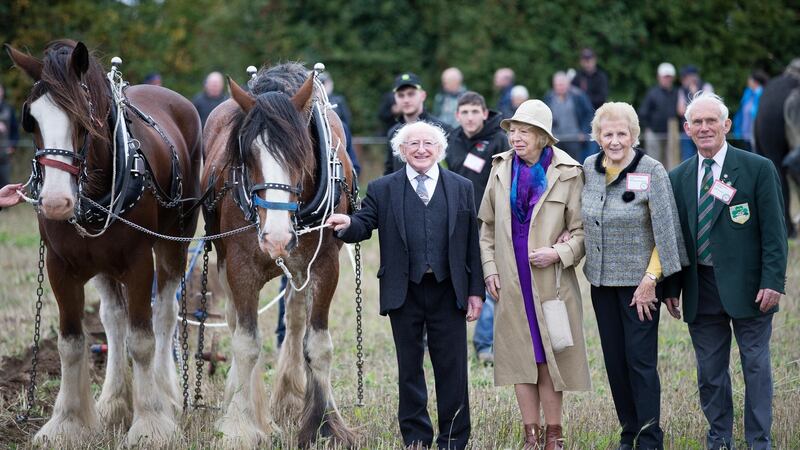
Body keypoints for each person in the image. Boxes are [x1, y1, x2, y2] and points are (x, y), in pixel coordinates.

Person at [326, 121, 484, 450]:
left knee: (452, 369)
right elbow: (364, 223)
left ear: (440, 150)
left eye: (428, 143)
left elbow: (473, 245)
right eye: (413, 144)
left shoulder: (461, 187)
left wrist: (475, 291)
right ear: (401, 151)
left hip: (448, 290)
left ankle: (454, 438)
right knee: (409, 368)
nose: (421, 149)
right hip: (405, 291)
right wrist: (346, 224)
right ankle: (416, 437)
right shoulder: (383, 188)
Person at [664, 91, 787, 450]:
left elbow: (775, 234)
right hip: (700, 286)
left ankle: (759, 440)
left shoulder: (757, 168)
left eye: (711, 121)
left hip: (751, 287)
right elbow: (676, 238)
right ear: (688, 129)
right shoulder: (679, 177)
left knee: (756, 367)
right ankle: (719, 438)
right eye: (697, 122)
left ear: (726, 125)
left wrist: (773, 282)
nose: (704, 128)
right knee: (711, 374)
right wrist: (671, 287)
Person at [479, 99, 590, 450]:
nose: (516, 137)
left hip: (550, 283)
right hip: (511, 283)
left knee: (549, 359)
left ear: (543, 136)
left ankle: (554, 436)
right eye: (513, 131)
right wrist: (490, 269)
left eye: (524, 131)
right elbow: (486, 228)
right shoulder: (499, 169)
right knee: (519, 359)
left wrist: (558, 252)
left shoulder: (569, 172)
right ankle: (531, 435)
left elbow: (583, 231)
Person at [581, 102, 687, 450]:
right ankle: (629, 433)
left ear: (633, 135)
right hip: (600, 284)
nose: (614, 140)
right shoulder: (589, 168)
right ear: (597, 136)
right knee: (614, 362)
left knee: (640, 362)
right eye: (607, 133)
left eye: (621, 133)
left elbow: (666, 232)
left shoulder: (652, 170)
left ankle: (649, 438)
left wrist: (650, 282)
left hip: (639, 286)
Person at [445, 91, 507, 365]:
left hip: (490, 221)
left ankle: (485, 345)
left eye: (475, 112)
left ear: (484, 113)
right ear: (458, 116)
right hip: (457, 220)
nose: (470, 117)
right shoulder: (451, 141)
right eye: (465, 112)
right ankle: (450, 339)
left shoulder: (499, 139)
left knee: (489, 279)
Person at [754, 58, 800, 238]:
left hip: (764, 132)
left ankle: (784, 229)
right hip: (789, 130)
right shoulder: (794, 88)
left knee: (775, 177)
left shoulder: (772, 85)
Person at [384, 73, 451, 175]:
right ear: (395, 98)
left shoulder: (442, 129)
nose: (406, 100)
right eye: (401, 95)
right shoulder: (393, 133)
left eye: (411, 94)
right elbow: (389, 171)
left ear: (423, 95)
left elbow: (453, 170)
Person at [543, 72, 594, 162]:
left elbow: (589, 114)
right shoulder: (549, 97)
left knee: (574, 164)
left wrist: (584, 131)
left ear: (568, 84)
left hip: (574, 138)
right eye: (558, 85)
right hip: (555, 139)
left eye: (562, 85)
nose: (560, 87)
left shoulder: (578, 96)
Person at [638, 63, 679, 165]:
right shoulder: (652, 93)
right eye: (665, 77)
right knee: (654, 161)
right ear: (659, 77)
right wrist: (648, 127)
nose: (667, 79)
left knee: (671, 163)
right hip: (654, 133)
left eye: (669, 77)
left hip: (671, 135)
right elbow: (643, 113)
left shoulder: (677, 93)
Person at [676, 66, 715, 161]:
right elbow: (680, 111)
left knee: (707, 155)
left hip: (705, 128)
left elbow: (708, 106)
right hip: (688, 129)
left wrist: (694, 94)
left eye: (685, 77)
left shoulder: (706, 86)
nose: (683, 80)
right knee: (687, 157)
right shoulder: (682, 90)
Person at [732, 70, 769, 150]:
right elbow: (741, 112)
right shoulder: (748, 93)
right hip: (746, 134)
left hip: (758, 134)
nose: (748, 82)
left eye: (750, 79)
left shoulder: (763, 93)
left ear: (755, 81)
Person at [0, 83, 19, 188]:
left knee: (3, 185)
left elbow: (15, 130)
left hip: (4, 156)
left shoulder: (8, 109)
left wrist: (12, 146)